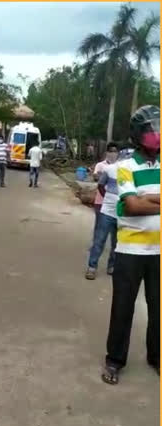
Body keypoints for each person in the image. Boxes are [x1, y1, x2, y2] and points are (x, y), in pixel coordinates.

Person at [102, 105, 160, 385]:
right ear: (139, 134)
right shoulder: (125, 167)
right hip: (129, 252)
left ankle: (156, 357)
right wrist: (142, 202)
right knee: (123, 307)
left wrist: (148, 201)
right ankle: (114, 360)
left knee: (158, 308)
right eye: (152, 130)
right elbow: (132, 205)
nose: (157, 135)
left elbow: (140, 202)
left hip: (159, 253)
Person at [86, 142, 120, 280]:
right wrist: (107, 198)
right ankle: (92, 267)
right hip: (106, 211)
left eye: (116, 152)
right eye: (111, 151)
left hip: (120, 213)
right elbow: (100, 185)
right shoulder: (108, 169)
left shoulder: (127, 171)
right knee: (99, 239)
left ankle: (111, 266)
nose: (113, 154)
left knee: (116, 243)